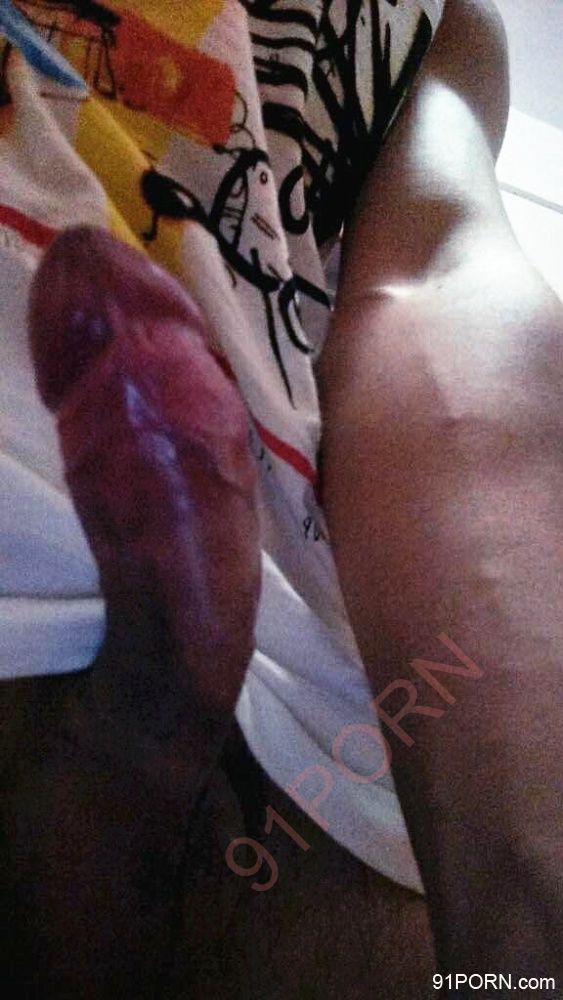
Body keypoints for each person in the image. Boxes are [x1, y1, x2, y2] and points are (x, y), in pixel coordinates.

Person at [0, 0, 562, 996]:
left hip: (263, 633)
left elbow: (442, 298)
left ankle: (141, 729)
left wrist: (523, 879)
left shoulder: (442, 21)